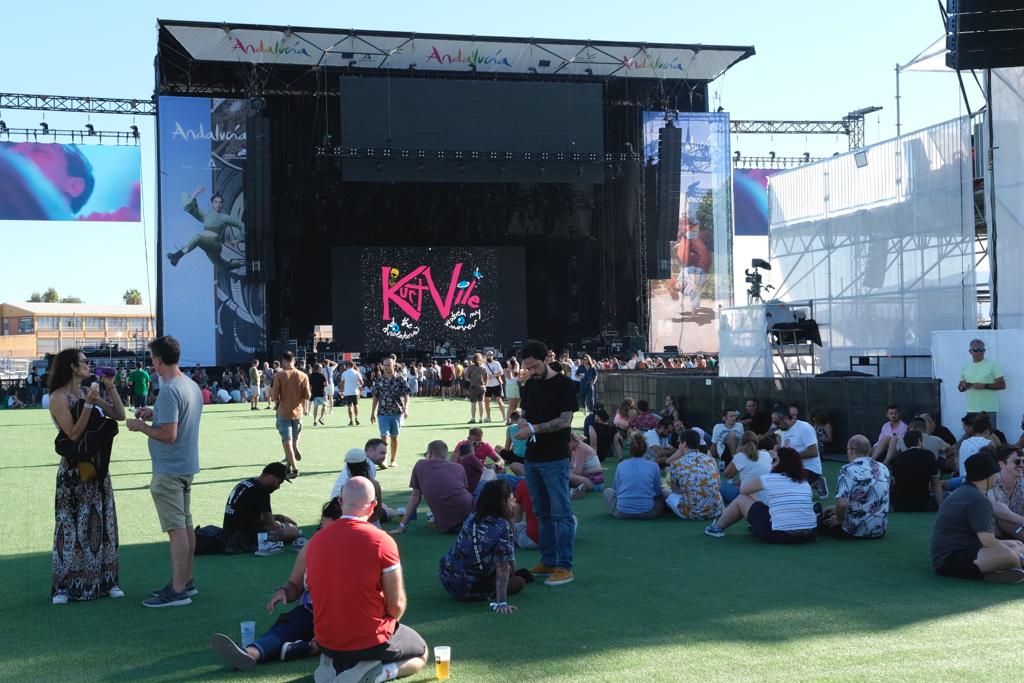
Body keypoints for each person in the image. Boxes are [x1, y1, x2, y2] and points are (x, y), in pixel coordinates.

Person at [306, 477, 428, 683]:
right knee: (421, 652)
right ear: (373, 506)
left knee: (348, 640)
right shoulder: (381, 540)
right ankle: (379, 673)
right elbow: (396, 606)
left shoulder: (316, 539)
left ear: (340, 502)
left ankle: (330, 662)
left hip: (325, 639)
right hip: (369, 639)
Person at [211, 500, 342, 671]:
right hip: (312, 611)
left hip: (345, 615)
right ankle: (251, 653)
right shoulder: (312, 547)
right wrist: (284, 591)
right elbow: (294, 585)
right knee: (288, 626)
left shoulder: (365, 548)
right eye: (321, 529)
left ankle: (313, 647)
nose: (323, 535)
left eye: (331, 531)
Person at [126, 336, 203, 607]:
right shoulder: (189, 384)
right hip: (185, 464)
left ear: (158, 359)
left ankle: (178, 589)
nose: (152, 364)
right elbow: (177, 420)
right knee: (186, 524)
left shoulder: (170, 389)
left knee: (176, 529)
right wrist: (154, 412)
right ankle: (186, 581)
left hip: (170, 468)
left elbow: (168, 434)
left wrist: (140, 427)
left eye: (152, 359)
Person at [48, 349, 125, 604]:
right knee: (69, 527)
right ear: (72, 367)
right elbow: (72, 434)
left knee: (101, 524)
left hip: (96, 467)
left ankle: (106, 581)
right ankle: (65, 587)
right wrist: (90, 404)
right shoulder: (58, 398)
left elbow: (119, 414)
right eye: (84, 362)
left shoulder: (83, 392)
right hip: (73, 471)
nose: (88, 365)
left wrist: (110, 387)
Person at [512, 340, 579, 586]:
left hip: (555, 458)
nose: (531, 371)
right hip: (532, 458)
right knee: (541, 512)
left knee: (561, 513)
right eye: (527, 367)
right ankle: (548, 561)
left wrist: (533, 428)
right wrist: (521, 422)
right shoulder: (529, 385)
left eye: (534, 366)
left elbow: (565, 420)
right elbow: (525, 412)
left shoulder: (565, 385)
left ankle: (564, 567)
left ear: (547, 359)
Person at [930, 449, 1024, 583]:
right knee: (1009, 555)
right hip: (950, 559)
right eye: (995, 473)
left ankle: (996, 572)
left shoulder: (968, 491)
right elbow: (988, 541)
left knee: (1018, 544)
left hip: (959, 551)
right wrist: (1015, 555)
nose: (997, 477)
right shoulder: (977, 499)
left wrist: (1015, 549)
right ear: (987, 476)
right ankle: (1002, 568)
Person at [439, 479, 524, 611]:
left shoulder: (473, 516)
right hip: (470, 588)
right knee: (519, 582)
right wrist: (501, 603)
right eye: (511, 500)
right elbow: (503, 567)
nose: (514, 504)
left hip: (447, 579)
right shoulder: (502, 527)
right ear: (502, 503)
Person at [704, 447, 817, 544]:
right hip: (809, 533)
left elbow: (743, 490)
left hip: (779, 534)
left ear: (783, 463)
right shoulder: (804, 482)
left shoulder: (769, 478)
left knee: (743, 498)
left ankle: (716, 528)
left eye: (774, 460)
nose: (771, 463)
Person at [391, 440, 474, 535]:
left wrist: (401, 526)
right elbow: (466, 489)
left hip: (449, 526)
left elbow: (415, 498)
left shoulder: (420, 465)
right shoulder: (458, 467)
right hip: (471, 515)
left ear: (430, 454)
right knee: (489, 474)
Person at [820, 435, 890, 539]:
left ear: (851, 450)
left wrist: (839, 520)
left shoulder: (848, 469)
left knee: (820, 521)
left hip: (854, 532)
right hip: (879, 531)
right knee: (831, 512)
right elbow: (869, 499)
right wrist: (834, 508)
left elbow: (843, 504)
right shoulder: (883, 468)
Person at [222, 462, 300, 553]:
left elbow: (251, 515)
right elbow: (271, 526)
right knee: (293, 532)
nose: (278, 487)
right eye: (279, 482)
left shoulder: (245, 483)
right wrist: (284, 527)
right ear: (272, 477)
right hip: (245, 538)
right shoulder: (261, 491)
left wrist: (280, 517)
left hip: (228, 533)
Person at [167, 186, 245, 270]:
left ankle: (178, 255)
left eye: (220, 202)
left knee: (197, 238)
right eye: (216, 202)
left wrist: (238, 239)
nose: (218, 204)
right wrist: (196, 192)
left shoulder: (224, 217)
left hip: (215, 245)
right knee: (223, 268)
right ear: (212, 203)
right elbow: (190, 208)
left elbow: (241, 225)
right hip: (208, 248)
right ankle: (242, 263)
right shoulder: (206, 216)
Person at [268, 351, 311, 479]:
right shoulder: (303, 376)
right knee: (292, 442)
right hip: (298, 413)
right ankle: (290, 459)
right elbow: (308, 395)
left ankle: (295, 469)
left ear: (284, 362)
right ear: (294, 361)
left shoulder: (279, 376)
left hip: (283, 412)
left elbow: (274, 396)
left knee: (287, 442)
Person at [603, 432, 666, 520]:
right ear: (645, 449)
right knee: (663, 494)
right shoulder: (653, 466)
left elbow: (616, 490)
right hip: (648, 513)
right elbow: (658, 491)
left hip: (622, 513)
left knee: (607, 492)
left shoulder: (621, 465)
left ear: (630, 449)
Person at [663, 430, 724, 520]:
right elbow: (719, 485)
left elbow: (675, 491)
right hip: (717, 510)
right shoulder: (711, 460)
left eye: (680, 442)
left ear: (684, 444)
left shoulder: (677, 464)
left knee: (664, 490)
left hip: (692, 513)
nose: (679, 446)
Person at [771, 407, 827, 498]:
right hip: (793, 468)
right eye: (774, 423)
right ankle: (813, 484)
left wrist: (791, 456)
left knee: (792, 493)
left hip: (810, 469)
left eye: (777, 422)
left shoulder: (804, 427)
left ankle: (817, 481)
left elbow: (813, 452)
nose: (776, 426)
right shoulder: (783, 431)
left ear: (785, 418)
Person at [887, 430, 944, 512]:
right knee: (947, 494)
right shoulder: (929, 455)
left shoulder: (898, 458)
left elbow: (895, 482)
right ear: (919, 441)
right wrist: (940, 505)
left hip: (900, 504)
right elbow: (935, 483)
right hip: (923, 503)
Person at [370, 358, 410, 468]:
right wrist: (372, 412)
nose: (386, 367)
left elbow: (406, 394)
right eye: (385, 365)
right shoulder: (379, 380)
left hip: (396, 412)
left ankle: (393, 460)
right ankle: (383, 460)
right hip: (382, 413)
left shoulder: (400, 379)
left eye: (389, 365)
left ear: (394, 366)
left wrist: (406, 407)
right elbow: (375, 397)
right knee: (384, 436)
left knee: (394, 437)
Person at [958, 338, 1005, 428]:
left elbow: (1002, 385)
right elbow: (960, 387)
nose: (979, 352)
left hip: (988, 410)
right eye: (976, 350)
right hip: (971, 409)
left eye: (982, 350)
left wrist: (984, 386)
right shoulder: (966, 367)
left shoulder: (993, 364)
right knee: (972, 437)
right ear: (970, 351)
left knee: (989, 438)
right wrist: (964, 386)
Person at [719, 432, 773, 505]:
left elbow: (727, 474)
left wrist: (737, 452)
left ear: (741, 444)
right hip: (766, 498)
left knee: (717, 485)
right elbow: (757, 471)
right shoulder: (766, 455)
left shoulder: (741, 456)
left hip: (747, 498)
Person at [988, 446, 1024, 540]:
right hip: (993, 537)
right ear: (1002, 464)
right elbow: (994, 508)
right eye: (1017, 461)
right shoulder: (990, 481)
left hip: (1017, 533)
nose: (1022, 465)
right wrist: (1022, 520)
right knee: (1003, 519)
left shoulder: (1022, 482)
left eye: (1023, 461)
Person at [482, 351, 506, 423]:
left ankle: (504, 417)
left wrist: (495, 375)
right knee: (487, 401)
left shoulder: (496, 363)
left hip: (496, 384)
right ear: (486, 356)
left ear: (493, 356)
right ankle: (488, 417)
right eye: (488, 355)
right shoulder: (484, 365)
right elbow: (482, 374)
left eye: (491, 355)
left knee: (499, 400)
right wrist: (486, 377)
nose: (490, 356)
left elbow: (501, 372)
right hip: (487, 385)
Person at [464, 353, 488, 424]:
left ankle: (473, 419)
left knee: (473, 404)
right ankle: (481, 419)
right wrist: (485, 385)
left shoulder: (470, 367)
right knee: (481, 403)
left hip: (473, 387)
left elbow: (467, 377)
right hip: (481, 387)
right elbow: (486, 378)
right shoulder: (483, 368)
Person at [503, 411, 528, 476]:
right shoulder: (534, 427)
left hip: (523, 459)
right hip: (532, 460)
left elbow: (507, 449)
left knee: (498, 448)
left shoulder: (511, 428)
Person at [341, 361, 363, 425]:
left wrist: (341, 391)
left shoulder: (344, 373)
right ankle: (356, 418)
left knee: (349, 406)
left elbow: (342, 383)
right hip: (355, 391)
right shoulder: (357, 372)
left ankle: (351, 420)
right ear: (353, 365)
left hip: (347, 392)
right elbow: (362, 383)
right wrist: (359, 385)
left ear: (347, 366)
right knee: (356, 405)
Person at [309, 362, 328, 426]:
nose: (322, 368)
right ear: (319, 368)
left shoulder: (311, 375)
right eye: (321, 367)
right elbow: (326, 384)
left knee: (315, 407)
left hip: (314, 393)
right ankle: (321, 417)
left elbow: (310, 385)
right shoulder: (321, 375)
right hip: (322, 393)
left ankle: (314, 421)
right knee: (325, 405)